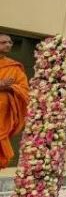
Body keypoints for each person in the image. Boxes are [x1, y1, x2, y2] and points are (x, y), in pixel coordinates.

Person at [0, 34, 30, 167]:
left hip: (3, 116)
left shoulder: (15, 67)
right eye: (3, 42)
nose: (8, 45)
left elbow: (25, 90)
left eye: (10, 42)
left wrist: (11, 87)